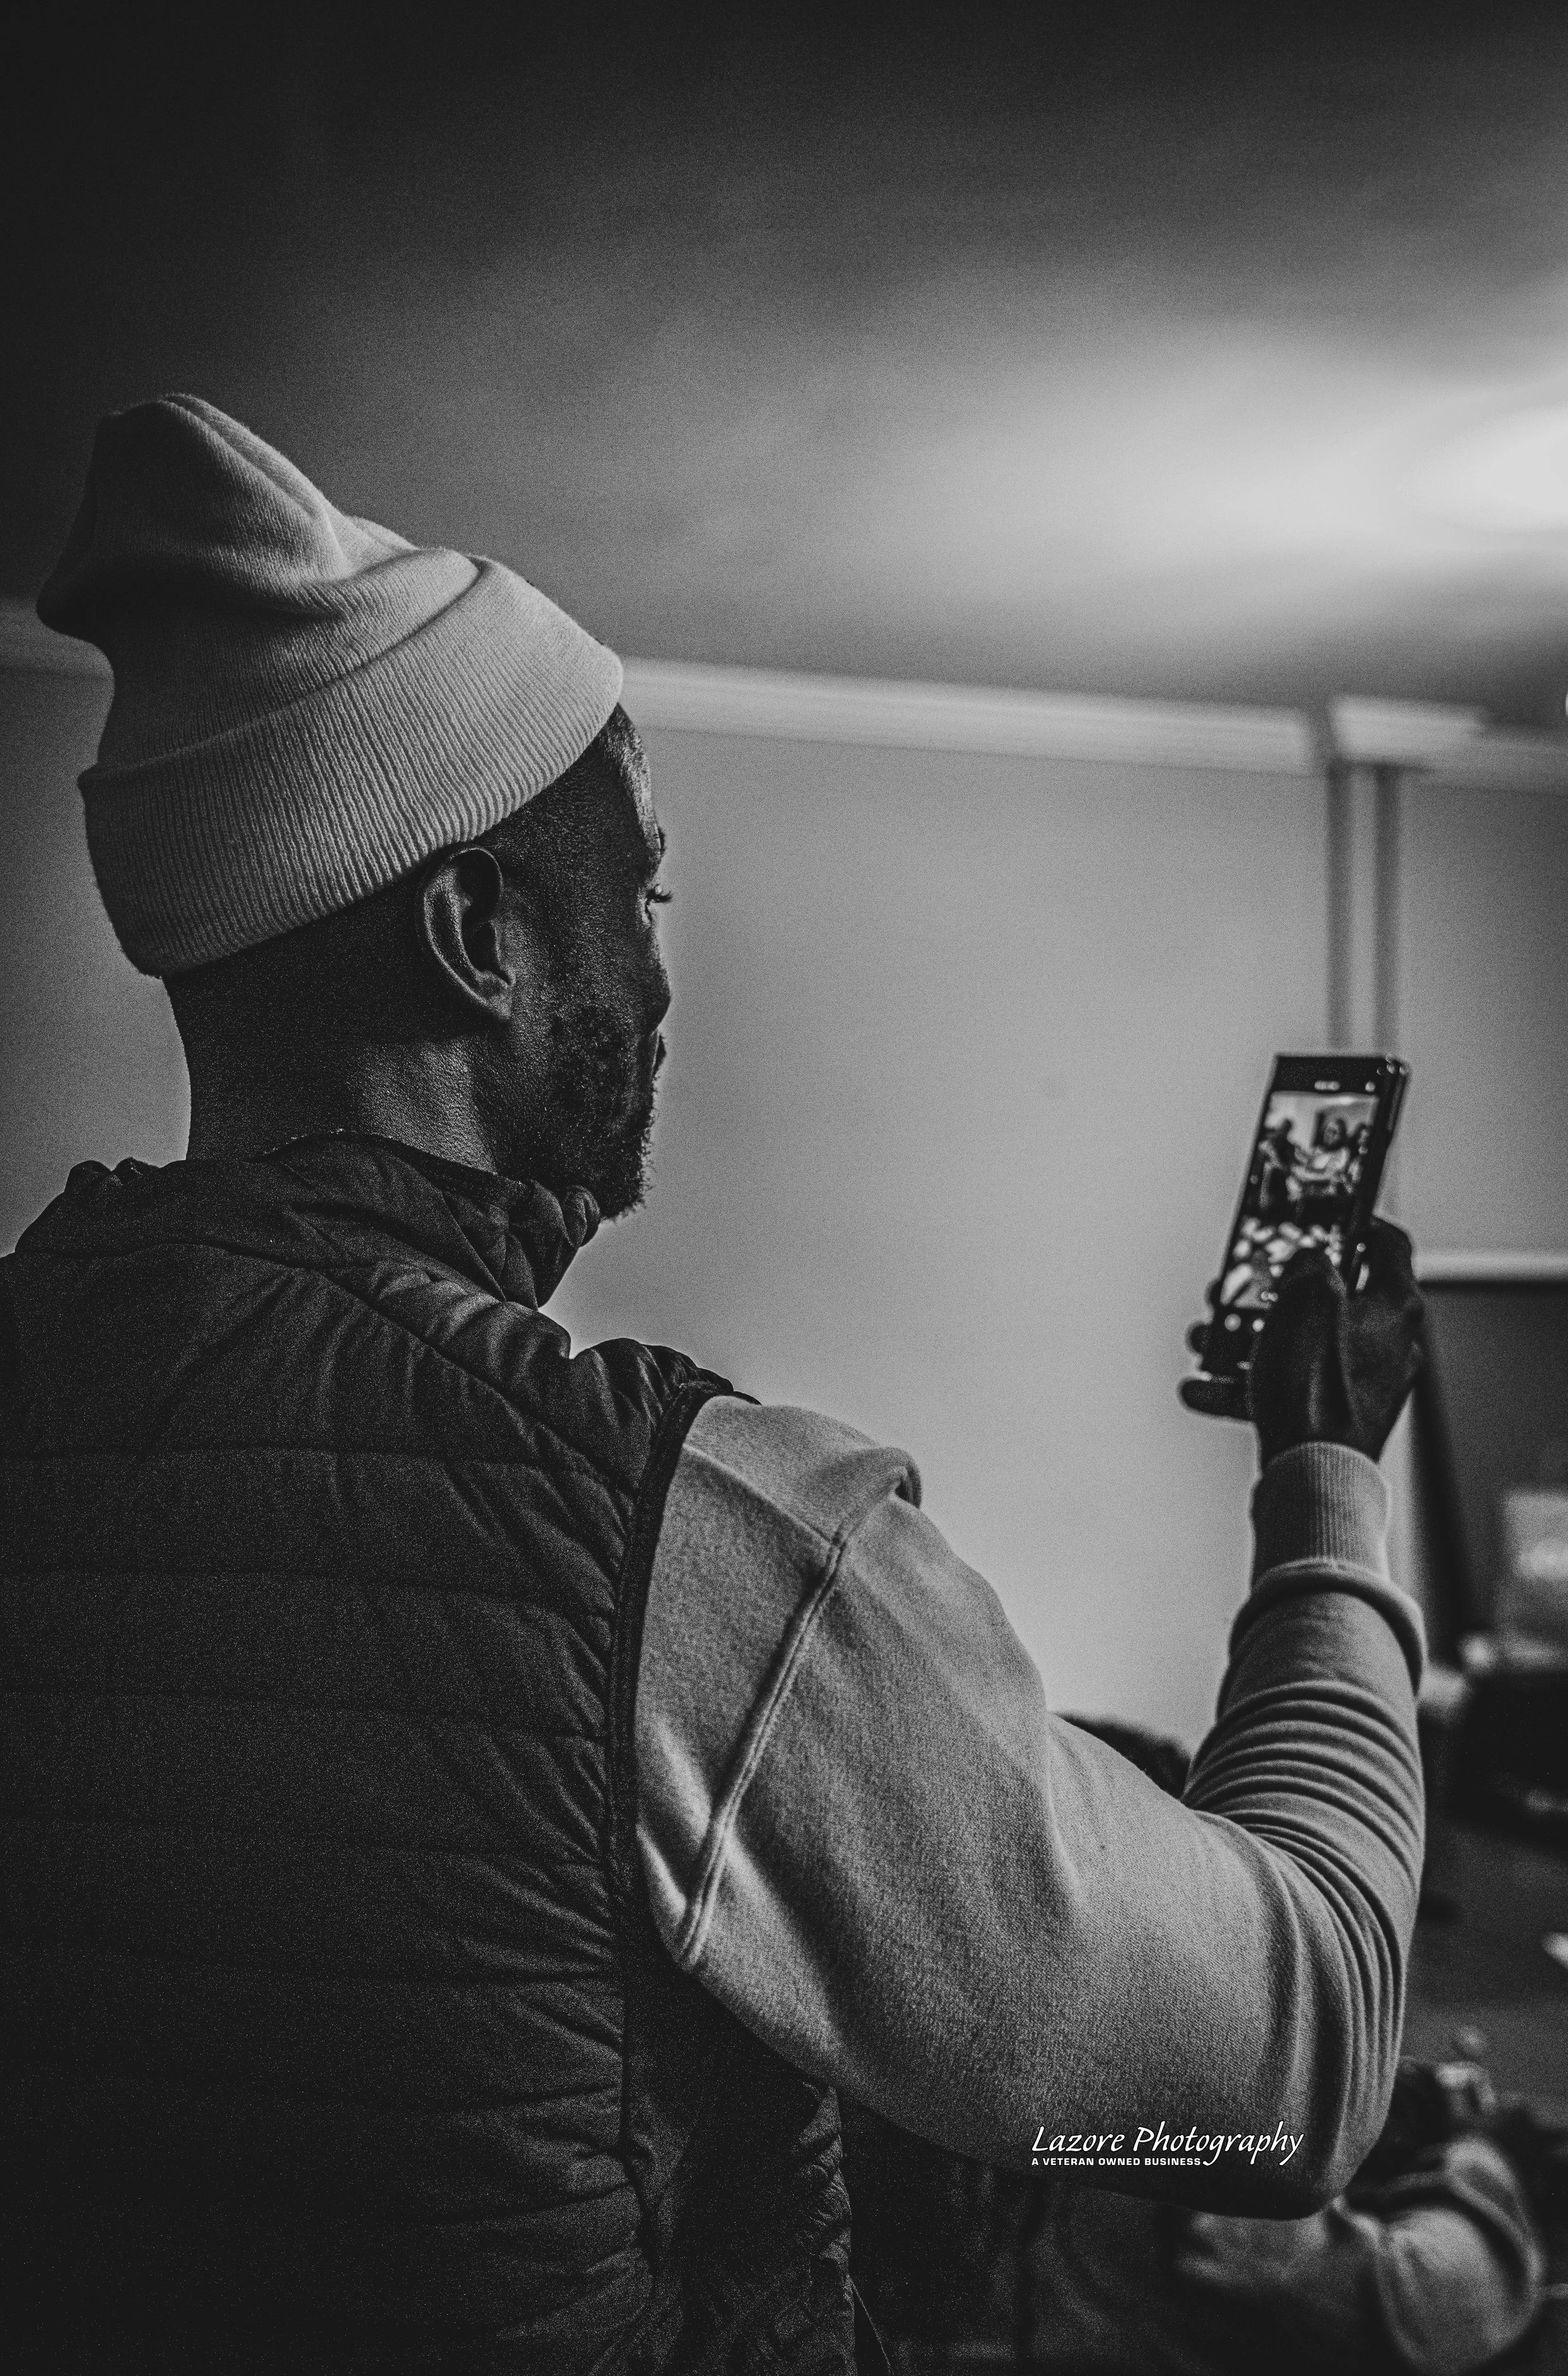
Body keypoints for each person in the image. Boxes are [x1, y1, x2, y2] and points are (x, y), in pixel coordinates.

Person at [1, 397, 1427, 2374]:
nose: (666, 993)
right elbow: (1295, 2066)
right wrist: (1325, 1474)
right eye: (640, 899)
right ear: (479, 936)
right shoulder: (681, 1537)